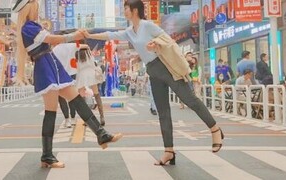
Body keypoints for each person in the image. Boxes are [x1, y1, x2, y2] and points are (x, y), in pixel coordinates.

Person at [83, 0, 223, 165]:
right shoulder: (129, 31)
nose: (124, 11)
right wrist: (90, 35)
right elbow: (109, 35)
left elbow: (167, 40)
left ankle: (215, 130)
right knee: (163, 111)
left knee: (189, 99)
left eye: (126, 8)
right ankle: (169, 151)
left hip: (167, 67)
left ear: (135, 10)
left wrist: (155, 44)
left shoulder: (147, 26)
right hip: (153, 71)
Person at [12, 0, 122, 168]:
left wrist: (75, 37)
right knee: (51, 112)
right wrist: (73, 36)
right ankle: (47, 156)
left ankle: (101, 134)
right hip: (45, 68)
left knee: (76, 99)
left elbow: (51, 40)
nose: (38, 11)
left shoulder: (32, 26)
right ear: (28, 8)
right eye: (36, 8)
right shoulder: (28, 27)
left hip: (52, 66)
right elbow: (50, 38)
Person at [75, 46, 105, 126]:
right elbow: (93, 64)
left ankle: (87, 120)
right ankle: (102, 117)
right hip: (91, 74)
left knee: (82, 98)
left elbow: (77, 67)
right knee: (96, 94)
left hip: (81, 75)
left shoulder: (77, 53)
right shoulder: (89, 52)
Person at [53, 43, 79, 127]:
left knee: (61, 98)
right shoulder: (72, 46)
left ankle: (67, 119)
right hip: (72, 73)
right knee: (72, 97)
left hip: (60, 74)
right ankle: (73, 118)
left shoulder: (55, 49)